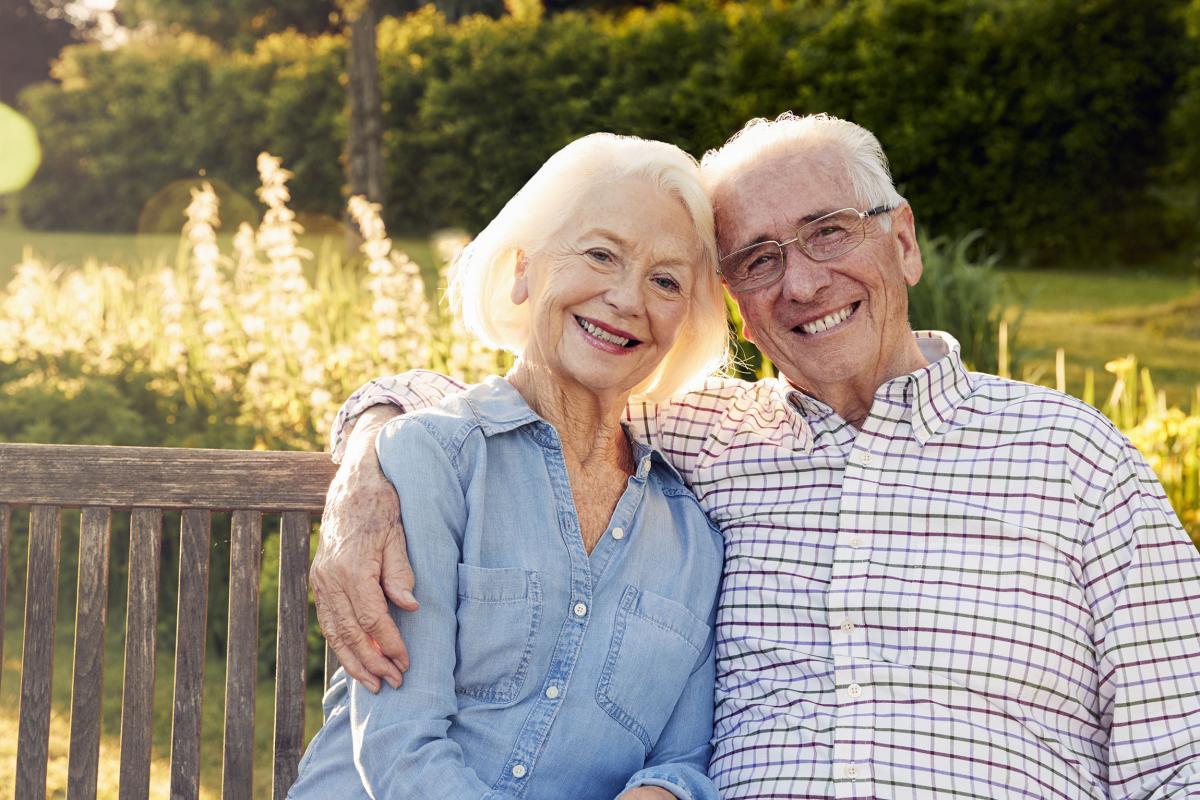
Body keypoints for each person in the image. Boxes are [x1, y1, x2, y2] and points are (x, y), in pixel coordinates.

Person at [313, 113, 1200, 799]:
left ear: (902, 239)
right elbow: (519, 401)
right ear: (734, 301)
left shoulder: (1072, 457)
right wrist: (366, 464)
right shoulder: (708, 438)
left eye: (829, 233)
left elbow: (1183, 754)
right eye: (760, 259)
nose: (803, 282)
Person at [289, 132, 732, 800]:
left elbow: (682, 759)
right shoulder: (434, 458)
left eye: (666, 281)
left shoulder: (693, 537)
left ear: (684, 325)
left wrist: (666, 792)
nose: (626, 297)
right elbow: (399, 749)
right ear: (524, 269)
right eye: (601, 254)